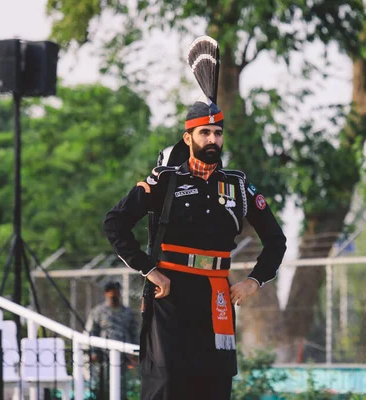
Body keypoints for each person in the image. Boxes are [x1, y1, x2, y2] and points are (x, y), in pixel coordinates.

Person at [102, 36, 287, 400]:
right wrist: (147, 268)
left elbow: (276, 241)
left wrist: (254, 281)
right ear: (189, 138)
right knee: (169, 388)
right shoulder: (166, 179)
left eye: (218, 132)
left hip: (218, 295)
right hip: (169, 294)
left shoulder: (238, 185)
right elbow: (115, 223)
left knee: (214, 388)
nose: (213, 139)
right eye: (205, 132)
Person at [84, 281, 139, 399]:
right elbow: (91, 332)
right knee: (103, 385)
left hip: (123, 356)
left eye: (116, 291)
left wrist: (134, 353)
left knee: (122, 386)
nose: (114, 294)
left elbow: (134, 332)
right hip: (103, 356)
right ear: (106, 293)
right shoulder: (98, 312)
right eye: (111, 291)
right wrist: (93, 352)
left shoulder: (128, 312)